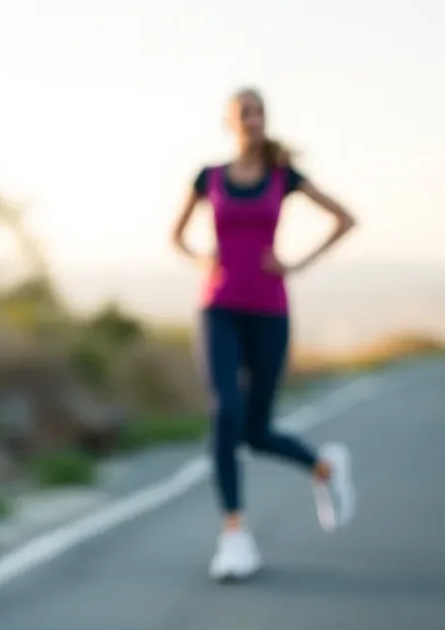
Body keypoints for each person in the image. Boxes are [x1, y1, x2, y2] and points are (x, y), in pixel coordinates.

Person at [170, 87, 359, 581]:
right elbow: (176, 236)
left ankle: (324, 468)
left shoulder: (283, 176)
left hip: (270, 310)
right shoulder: (208, 177)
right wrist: (201, 258)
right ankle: (234, 536)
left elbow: (345, 219)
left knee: (257, 432)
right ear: (229, 122)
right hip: (218, 308)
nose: (253, 120)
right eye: (245, 113)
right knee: (225, 412)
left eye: (259, 112)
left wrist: (297, 264)